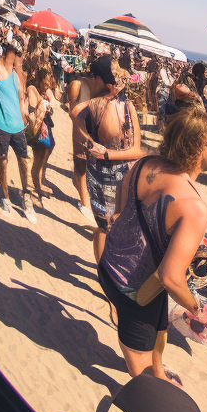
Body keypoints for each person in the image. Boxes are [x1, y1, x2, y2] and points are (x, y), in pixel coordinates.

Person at [98, 99, 207, 382]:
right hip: (132, 290)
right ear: (196, 149)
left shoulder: (144, 164)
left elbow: (121, 197)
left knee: (159, 326)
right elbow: (170, 278)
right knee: (140, 374)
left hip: (109, 263)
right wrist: (196, 309)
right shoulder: (195, 207)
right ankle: (148, 382)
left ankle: (158, 371)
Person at [75, 59, 143, 262]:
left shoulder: (128, 108)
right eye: (119, 80)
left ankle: (109, 267)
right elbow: (75, 113)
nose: (123, 83)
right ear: (111, 84)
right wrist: (89, 141)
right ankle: (103, 271)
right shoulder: (99, 104)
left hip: (123, 174)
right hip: (102, 176)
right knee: (104, 226)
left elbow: (137, 150)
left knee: (119, 224)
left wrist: (107, 154)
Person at [0, 38, 36, 222]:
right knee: (2, 161)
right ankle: (5, 196)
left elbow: (21, 96)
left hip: (17, 126)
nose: (15, 61)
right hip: (0, 124)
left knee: (23, 161)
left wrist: (24, 110)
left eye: (17, 59)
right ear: (6, 55)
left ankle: (27, 198)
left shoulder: (18, 75)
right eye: (13, 57)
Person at [64, 56, 118, 224]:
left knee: (94, 168)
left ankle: (86, 196)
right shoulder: (78, 85)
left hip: (98, 132)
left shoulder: (107, 90)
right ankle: (84, 202)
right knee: (81, 164)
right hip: (81, 130)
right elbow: (72, 110)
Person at [26, 67, 57, 202]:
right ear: (40, 81)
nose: (47, 86)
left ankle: (37, 186)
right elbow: (32, 107)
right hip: (37, 129)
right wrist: (42, 102)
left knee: (44, 154)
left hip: (44, 128)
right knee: (38, 158)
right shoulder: (32, 89)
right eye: (45, 83)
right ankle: (37, 188)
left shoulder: (43, 92)